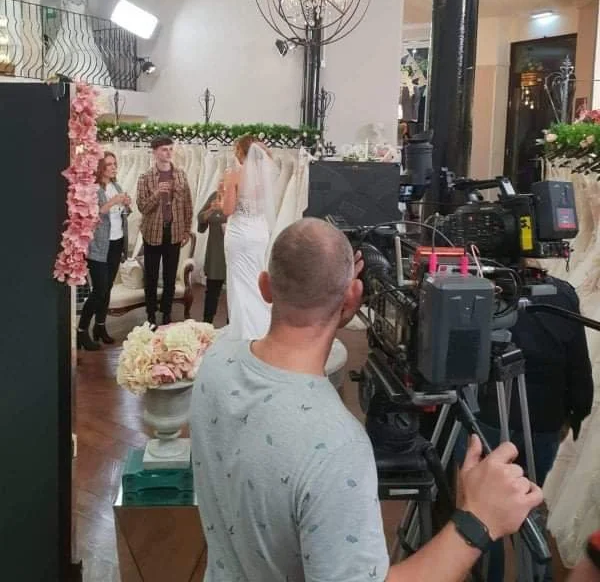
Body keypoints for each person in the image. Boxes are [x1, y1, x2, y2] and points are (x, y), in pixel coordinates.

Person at [190, 218, 543, 582]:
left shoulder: (215, 362)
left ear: (265, 286)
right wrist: (479, 520)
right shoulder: (336, 447)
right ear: (352, 296)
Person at [467, 275, 594, 581]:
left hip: (490, 416)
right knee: (528, 503)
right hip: (543, 420)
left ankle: (490, 576)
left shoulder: (476, 289)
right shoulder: (561, 294)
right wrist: (578, 413)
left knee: (483, 508)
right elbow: (578, 363)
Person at [221, 134, 276, 339]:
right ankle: (263, 329)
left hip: (240, 233)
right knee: (256, 280)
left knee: (239, 285)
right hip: (259, 232)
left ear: (240, 151)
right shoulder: (266, 174)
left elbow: (228, 210)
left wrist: (227, 187)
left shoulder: (235, 174)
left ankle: (244, 335)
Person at [136, 135, 193, 326]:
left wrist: (186, 230)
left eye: (170, 149)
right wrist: (157, 194)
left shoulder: (181, 175)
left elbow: (188, 204)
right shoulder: (145, 178)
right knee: (151, 276)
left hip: (174, 232)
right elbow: (142, 207)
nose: (168, 153)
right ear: (154, 152)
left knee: (170, 276)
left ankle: (166, 313)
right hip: (152, 233)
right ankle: (151, 314)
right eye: (164, 149)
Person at [78, 151, 130, 351]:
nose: (113, 167)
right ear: (100, 167)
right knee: (99, 289)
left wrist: (126, 205)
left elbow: (121, 214)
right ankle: (81, 330)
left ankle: (100, 326)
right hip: (99, 245)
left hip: (116, 242)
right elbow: (93, 214)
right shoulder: (93, 189)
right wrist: (113, 202)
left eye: (115, 163)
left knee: (107, 288)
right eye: (109, 164)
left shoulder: (117, 186)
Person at [197, 184, 227, 324]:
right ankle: (207, 323)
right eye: (221, 181)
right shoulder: (215, 196)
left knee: (234, 294)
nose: (222, 184)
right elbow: (200, 218)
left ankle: (232, 326)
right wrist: (211, 210)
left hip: (234, 254)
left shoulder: (240, 200)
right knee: (212, 291)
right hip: (216, 253)